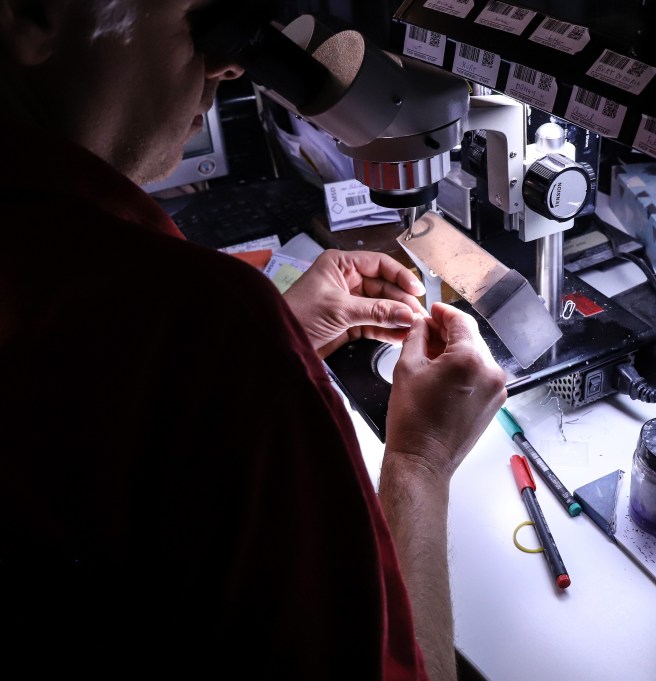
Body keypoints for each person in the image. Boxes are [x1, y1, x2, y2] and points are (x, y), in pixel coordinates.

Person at [0, 1, 507, 679]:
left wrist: (268, 344)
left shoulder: (77, 283)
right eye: (202, 13)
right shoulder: (202, 328)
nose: (231, 61)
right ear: (34, 15)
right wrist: (420, 462)